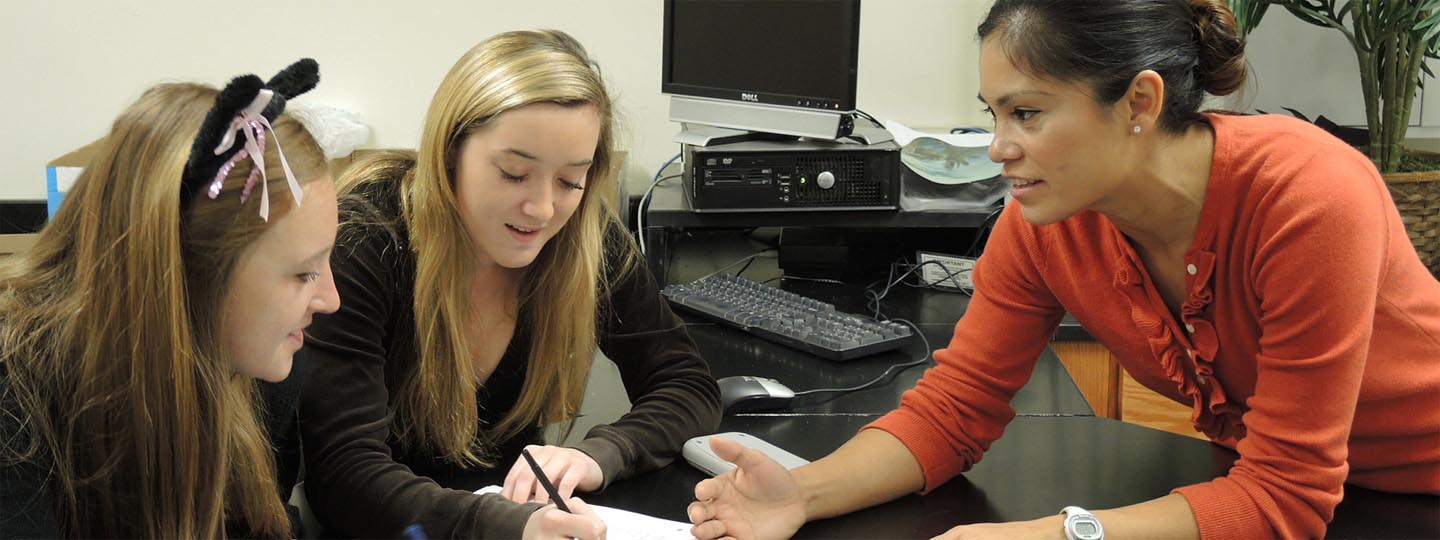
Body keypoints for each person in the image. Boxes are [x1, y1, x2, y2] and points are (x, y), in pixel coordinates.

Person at [686, 1, 1440, 538]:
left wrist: (1057, 533)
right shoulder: (1045, 222)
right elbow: (954, 410)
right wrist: (804, 494)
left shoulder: (1310, 196)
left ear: (1139, 101)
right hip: (1284, 497)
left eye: (1028, 114)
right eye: (992, 113)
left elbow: (1287, 496)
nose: (996, 147)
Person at [297, 29, 721, 539]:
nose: (543, 208)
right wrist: (508, 526)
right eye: (514, 173)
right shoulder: (367, 239)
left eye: (570, 181)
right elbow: (345, 475)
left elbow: (686, 384)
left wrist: (599, 455)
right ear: (450, 151)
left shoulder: (584, 238)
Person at [0, 59, 340, 539]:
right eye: (304, 273)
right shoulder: (17, 405)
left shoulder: (263, 372)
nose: (331, 299)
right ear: (192, 271)